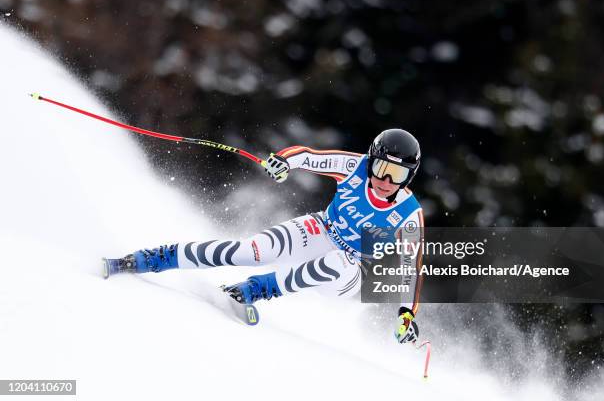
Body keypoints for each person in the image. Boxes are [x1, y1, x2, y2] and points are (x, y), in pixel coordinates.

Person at [104, 128, 424, 344]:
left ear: (409, 176)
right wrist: (283, 162)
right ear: (372, 160)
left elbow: (411, 269)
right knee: (251, 250)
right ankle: (151, 258)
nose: (385, 179)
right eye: (382, 167)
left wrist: (406, 314)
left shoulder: (409, 213)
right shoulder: (354, 166)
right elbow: (308, 156)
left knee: (338, 261)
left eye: (397, 174)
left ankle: (253, 290)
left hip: (351, 271)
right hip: (323, 229)